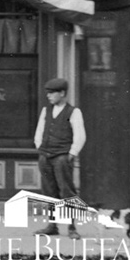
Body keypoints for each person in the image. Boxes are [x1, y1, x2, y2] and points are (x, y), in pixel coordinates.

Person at [34, 77, 86, 239]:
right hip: (46, 156)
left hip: (62, 157)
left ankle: (72, 227)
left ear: (62, 93)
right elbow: (39, 132)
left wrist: (71, 153)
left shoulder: (74, 112)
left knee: (67, 191)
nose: (49, 96)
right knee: (49, 191)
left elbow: (80, 135)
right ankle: (52, 225)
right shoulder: (46, 111)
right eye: (47, 93)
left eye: (52, 93)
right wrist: (40, 148)